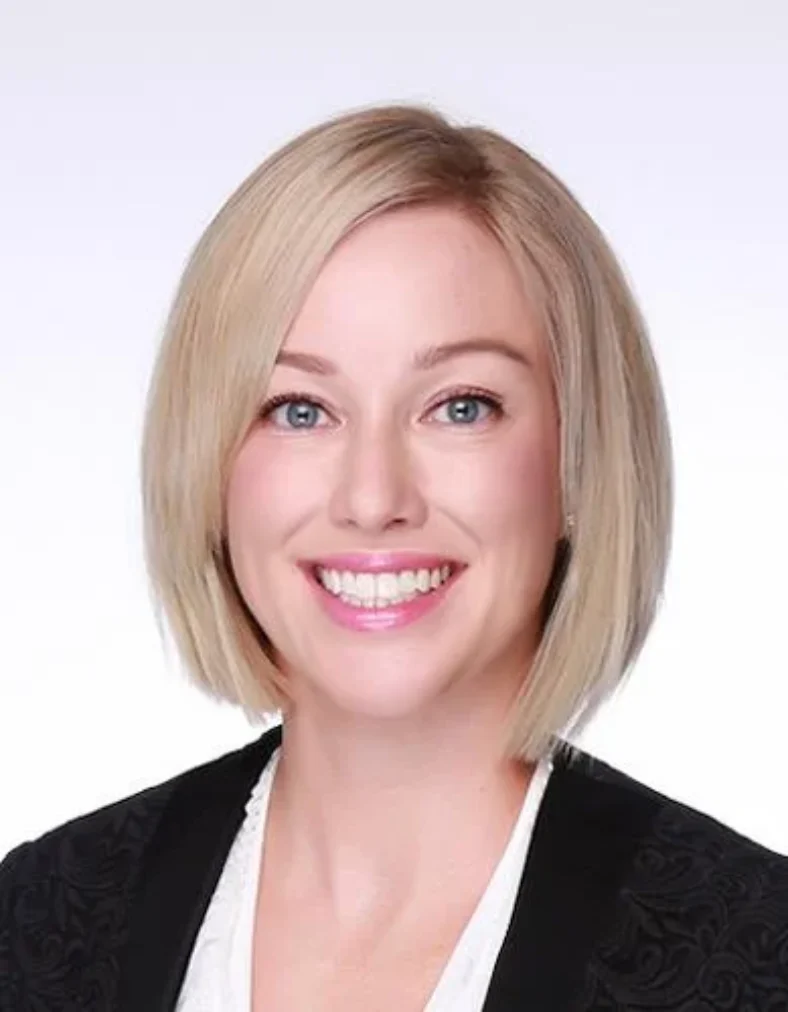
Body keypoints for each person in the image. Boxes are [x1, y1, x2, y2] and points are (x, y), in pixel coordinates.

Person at [1, 103, 786, 1012]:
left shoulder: (755, 955)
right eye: (300, 410)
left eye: (460, 406)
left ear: (578, 460)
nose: (374, 498)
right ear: (208, 467)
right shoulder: (35, 925)